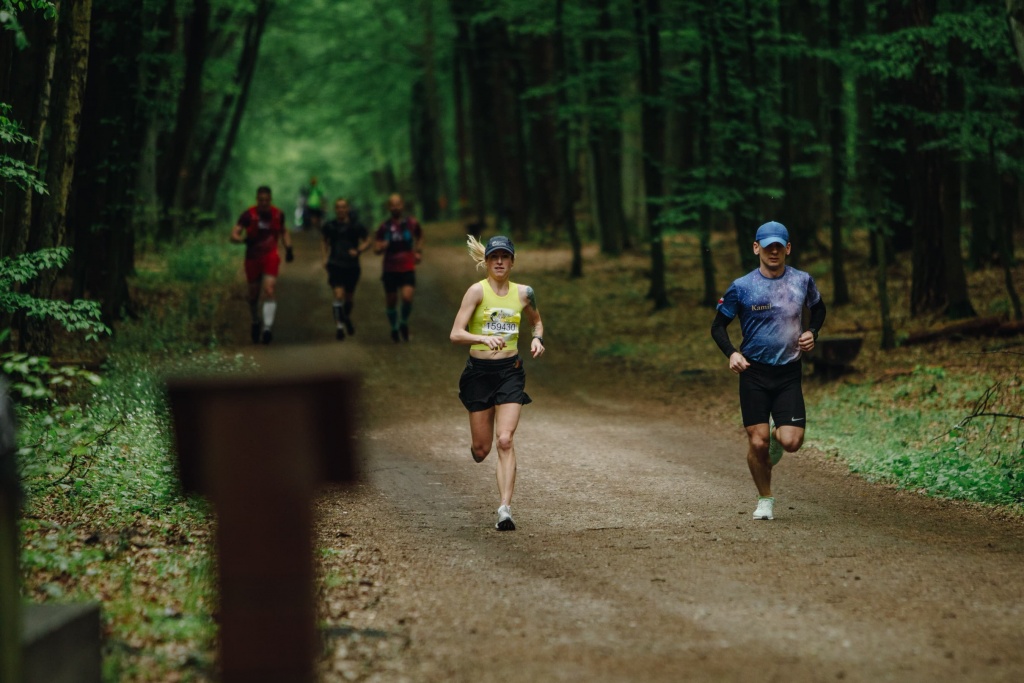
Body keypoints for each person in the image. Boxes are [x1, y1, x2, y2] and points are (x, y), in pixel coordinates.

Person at [710, 221, 826, 521]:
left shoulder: (802, 280)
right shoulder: (742, 287)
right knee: (757, 441)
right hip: (754, 372)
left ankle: (777, 438)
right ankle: (765, 499)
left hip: (788, 371)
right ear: (756, 247)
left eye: (779, 246)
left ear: (787, 248)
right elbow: (718, 326)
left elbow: (819, 308)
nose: (773, 251)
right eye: (767, 245)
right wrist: (732, 353)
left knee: (791, 442)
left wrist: (812, 330)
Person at [449, 235, 545, 531]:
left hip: (509, 372)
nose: (500, 262)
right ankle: (479, 446)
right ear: (487, 262)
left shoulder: (524, 293)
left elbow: (536, 322)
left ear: (512, 261)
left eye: (505, 256)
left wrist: (537, 338)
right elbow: (456, 333)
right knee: (482, 450)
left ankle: (504, 508)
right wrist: (481, 337)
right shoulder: (476, 292)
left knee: (505, 439)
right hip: (479, 373)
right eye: (494, 257)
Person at [230, 185, 294, 345]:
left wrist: (289, 247)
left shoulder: (278, 214)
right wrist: (242, 240)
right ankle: (255, 321)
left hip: (270, 256)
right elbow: (234, 234)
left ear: (270, 200)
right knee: (253, 295)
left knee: (269, 290)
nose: (264, 203)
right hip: (252, 258)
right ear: (257, 199)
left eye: (267, 200)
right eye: (261, 200)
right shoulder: (248, 215)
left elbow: (284, 231)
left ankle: (267, 328)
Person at [373, 193, 423, 342]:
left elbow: (420, 236)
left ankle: (403, 323)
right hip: (390, 268)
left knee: (407, 297)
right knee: (391, 300)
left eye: (398, 203)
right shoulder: (384, 226)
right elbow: (376, 248)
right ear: (389, 207)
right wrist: (381, 246)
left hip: (407, 266)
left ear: (402, 205)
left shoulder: (411, 223)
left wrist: (418, 251)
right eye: (392, 204)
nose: (395, 207)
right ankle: (394, 327)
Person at [321, 197, 370, 340]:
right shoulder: (330, 226)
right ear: (335, 209)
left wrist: (358, 250)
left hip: (352, 266)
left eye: (343, 207)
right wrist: (324, 257)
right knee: (338, 295)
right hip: (335, 264)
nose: (341, 210)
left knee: (349, 298)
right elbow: (324, 240)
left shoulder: (356, 226)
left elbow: (368, 240)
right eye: (338, 207)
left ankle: (346, 316)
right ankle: (339, 327)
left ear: (347, 209)